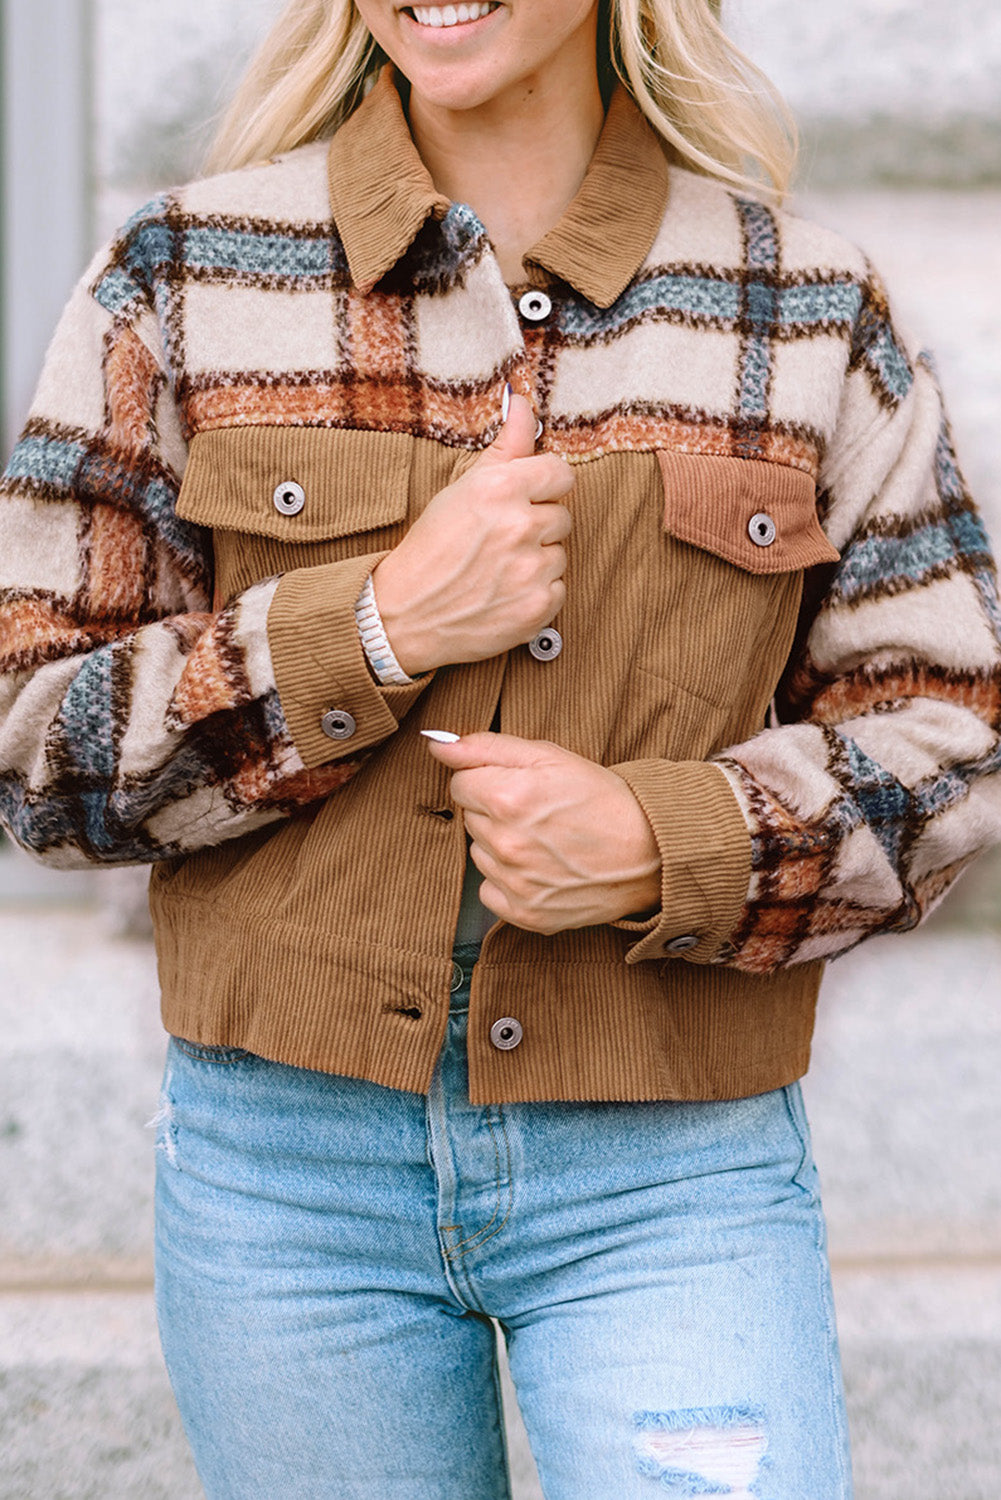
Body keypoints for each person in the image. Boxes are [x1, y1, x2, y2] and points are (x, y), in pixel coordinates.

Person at [1, 1, 999, 1495]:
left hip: (673, 1170)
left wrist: (666, 843)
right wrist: (378, 627)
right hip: (287, 1175)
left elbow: (949, 738)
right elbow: (33, 751)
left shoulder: (796, 301)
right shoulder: (186, 275)